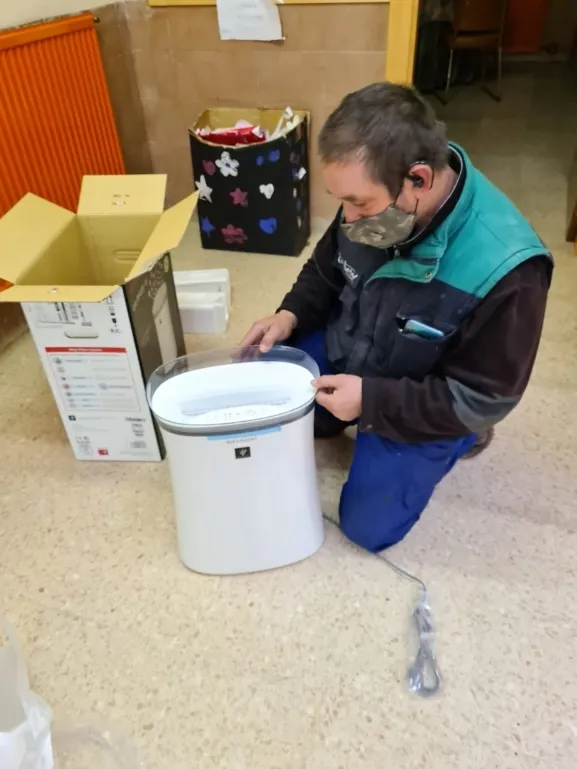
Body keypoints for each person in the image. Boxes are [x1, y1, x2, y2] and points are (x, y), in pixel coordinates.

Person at [241, 83, 552, 553]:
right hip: (355, 343)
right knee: (266, 387)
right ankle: (340, 407)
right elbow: (325, 272)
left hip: (420, 392)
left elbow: (483, 397)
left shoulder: (509, 269)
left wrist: (372, 401)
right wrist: (289, 314)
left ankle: (464, 439)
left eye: (360, 204)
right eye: (341, 201)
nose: (347, 219)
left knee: (368, 528)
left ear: (418, 179)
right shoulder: (369, 201)